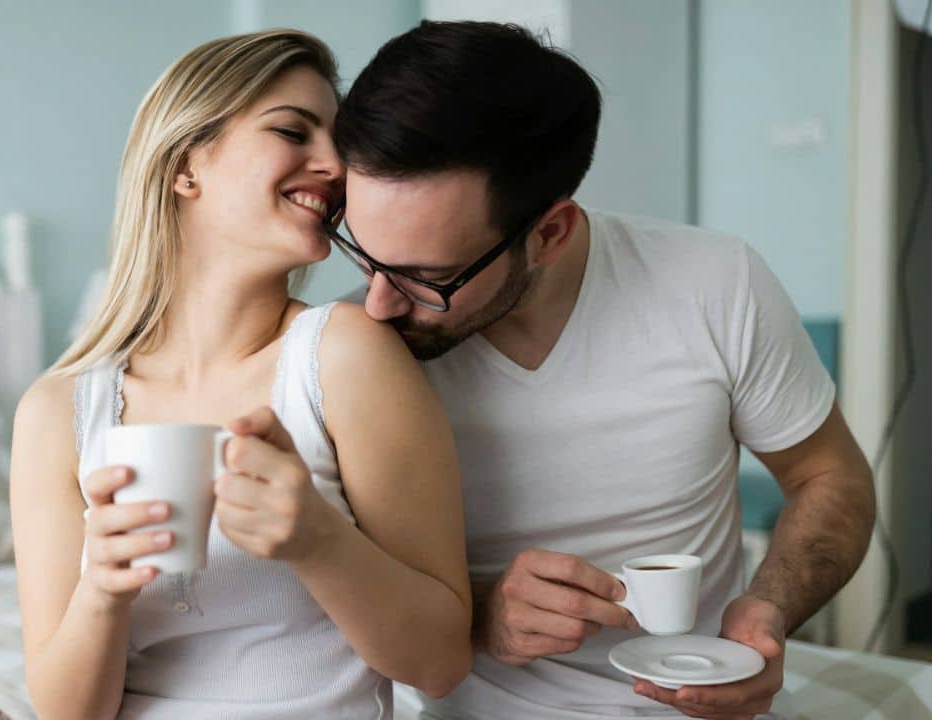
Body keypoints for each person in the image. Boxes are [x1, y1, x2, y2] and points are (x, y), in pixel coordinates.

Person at [328, 20, 877, 720]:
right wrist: (479, 617)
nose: (378, 303)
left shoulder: (716, 282)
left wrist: (768, 609)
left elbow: (830, 478)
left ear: (550, 233)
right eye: (364, 254)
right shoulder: (354, 348)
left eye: (426, 277)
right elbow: (337, 587)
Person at [9, 29, 472, 720]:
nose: (336, 168)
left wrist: (316, 539)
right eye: (292, 131)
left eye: (339, 143)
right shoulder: (57, 411)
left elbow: (439, 663)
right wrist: (101, 592)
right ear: (185, 166)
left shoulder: (346, 355)